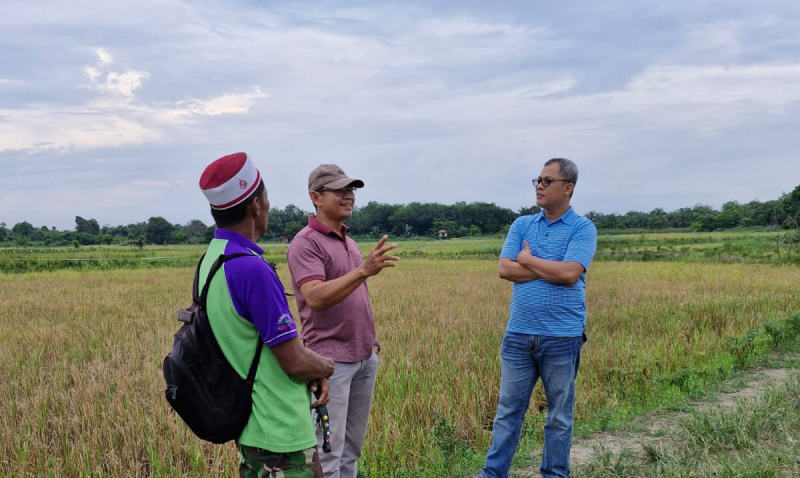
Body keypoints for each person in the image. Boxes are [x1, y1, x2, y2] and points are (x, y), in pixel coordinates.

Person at [198, 152, 335, 478]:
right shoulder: (252, 270)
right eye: (267, 197)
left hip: (252, 428)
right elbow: (295, 361)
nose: (269, 205)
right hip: (282, 435)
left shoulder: (213, 260)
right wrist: (325, 367)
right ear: (256, 205)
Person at [479, 158, 597, 478]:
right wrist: (550, 268)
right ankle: (493, 474)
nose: (540, 187)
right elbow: (505, 269)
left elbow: (571, 273)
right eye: (538, 181)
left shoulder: (582, 228)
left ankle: (554, 475)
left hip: (563, 336)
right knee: (507, 413)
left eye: (547, 181)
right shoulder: (522, 225)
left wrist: (528, 259)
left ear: (568, 188)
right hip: (518, 335)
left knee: (559, 416)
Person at [286, 164, 399, 478]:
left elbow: (354, 296)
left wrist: (371, 346)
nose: (349, 196)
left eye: (351, 190)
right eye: (340, 190)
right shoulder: (305, 243)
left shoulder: (348, 241)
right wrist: (364, 270)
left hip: (364, 359)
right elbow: (316, 297)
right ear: (316, 197)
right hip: (330, 365)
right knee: (329, 454)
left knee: (351, 450)